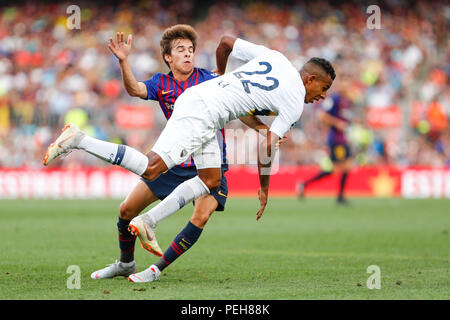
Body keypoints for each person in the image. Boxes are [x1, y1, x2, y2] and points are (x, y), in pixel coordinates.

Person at [43, 35, 335, 282]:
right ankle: (80, 140)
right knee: (152, 167)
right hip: (203, 110)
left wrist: (222, 74)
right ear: (310, 79)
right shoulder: (295, 102)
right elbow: (268, 147)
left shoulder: (277, 57)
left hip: (204, 99)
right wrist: (265, 188)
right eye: (323, 89)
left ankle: (150, 222)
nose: (321, 97)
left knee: (211, 180)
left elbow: (225, 42)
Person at [296, 75, 352, 204]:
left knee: (347, 166)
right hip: (336, 139)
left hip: (343, 138)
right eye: (344, 83)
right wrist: (337, 123)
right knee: (339, 168)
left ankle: (339, 196)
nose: (346, 86)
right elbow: (322, 115)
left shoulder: (346, 100)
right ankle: (306, 185)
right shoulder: (334, 99)